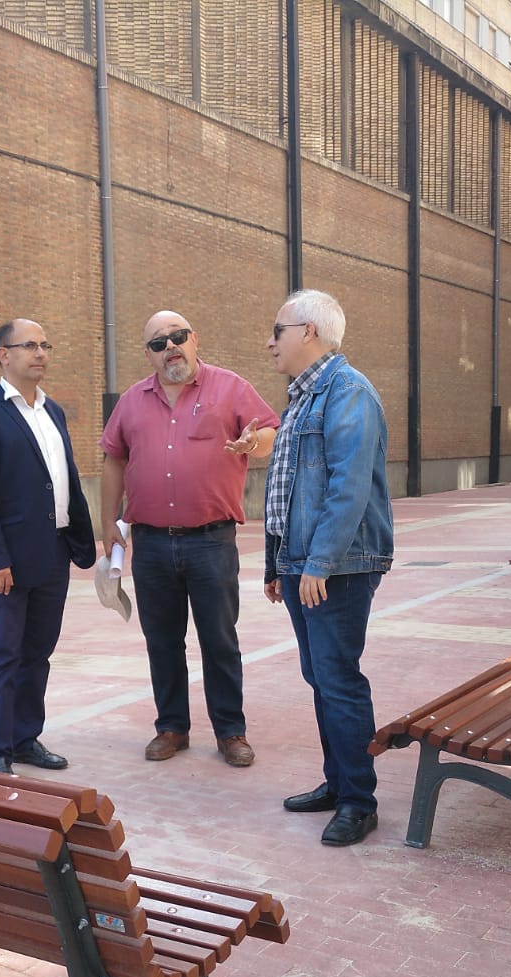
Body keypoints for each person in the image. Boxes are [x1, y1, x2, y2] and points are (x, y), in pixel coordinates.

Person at [100, 310, 279, 767]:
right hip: (151, 543)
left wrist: (251, 443)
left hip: (210, 542)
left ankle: (230, 731)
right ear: (148, 354)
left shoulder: (229, 387)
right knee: (162, 641)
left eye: (177, 336)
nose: (170, 347)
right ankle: (171, 727)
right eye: (158, 342)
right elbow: (114, 459)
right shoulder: (132, 401)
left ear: (194, 339)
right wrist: (107, 522)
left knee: (219, 640)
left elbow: (267, 433)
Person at [263, 290, 393, 846]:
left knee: (338, 680)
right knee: (321, 678)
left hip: (337, 566)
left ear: (308, 332)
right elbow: (286, 488)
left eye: (278, 330)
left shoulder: (348, 392)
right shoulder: (303, 397)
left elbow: (348, 487)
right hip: (304, 563)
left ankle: (359, 802)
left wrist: (319, 562)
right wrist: (278, 563)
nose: (270, 342)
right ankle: (338, 783)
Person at [0, 319, 96, 774]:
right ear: (4, 354)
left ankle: (25, 738)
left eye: (45, 345)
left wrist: (80, 539)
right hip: (7, 563)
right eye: (30, 345)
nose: (40, 353)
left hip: (53, 553)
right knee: (3, 654)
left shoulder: (53, 411)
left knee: (38, 652)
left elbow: (64, 479)